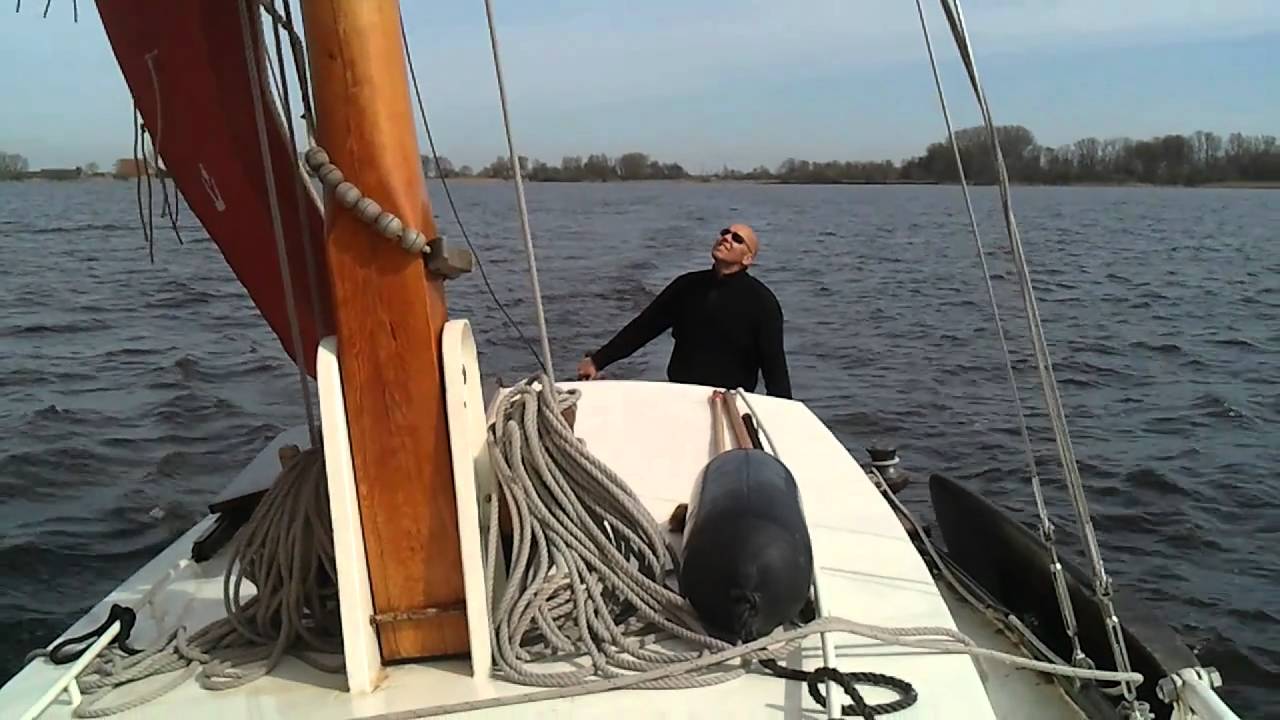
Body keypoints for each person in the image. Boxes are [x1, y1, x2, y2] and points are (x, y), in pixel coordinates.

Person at [576, 223, 792, 398]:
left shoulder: (763, 303)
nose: (726, 237)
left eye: (737, 239)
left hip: (729, 401)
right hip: (680, 394)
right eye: (725, 232)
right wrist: (598, 361)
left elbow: (774, 368)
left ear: (748, 259)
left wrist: (784, 416)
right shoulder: (686, 286)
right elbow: (643, 328)